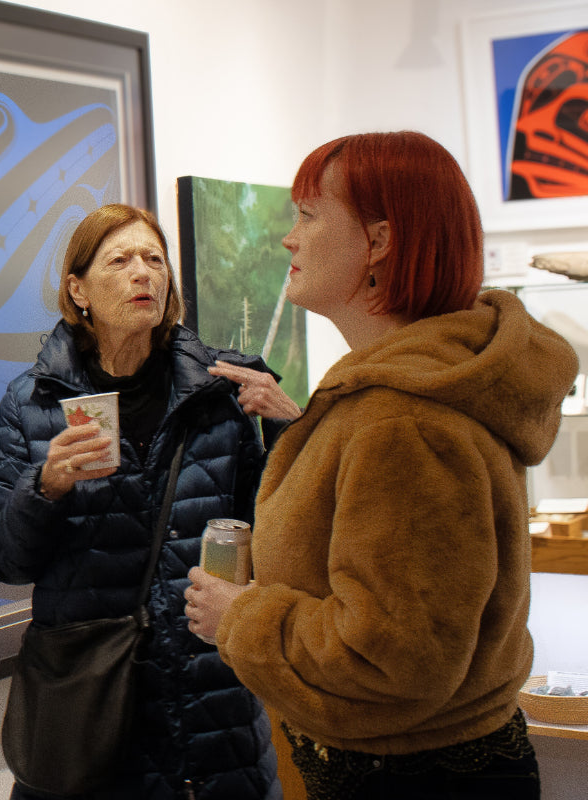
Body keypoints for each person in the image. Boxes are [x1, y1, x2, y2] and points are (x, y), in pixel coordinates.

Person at [185, 131, 579, 800]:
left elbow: (395, 655)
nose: (290, 238)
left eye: (309, 214)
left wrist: (241, 617)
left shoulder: (403, 419)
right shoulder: (404, 396)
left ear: (380, 241)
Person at [0, 203, 285, 800]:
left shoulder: (220, 389)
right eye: (120, 260)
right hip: (90, 707)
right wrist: (45, 488)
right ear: (78, 288)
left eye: (155, 259)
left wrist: (289, 429)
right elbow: (4, 560)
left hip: (209, 701)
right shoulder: (34, 403)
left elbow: (276, 533)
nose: (143, 273)